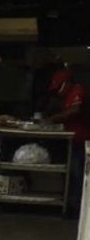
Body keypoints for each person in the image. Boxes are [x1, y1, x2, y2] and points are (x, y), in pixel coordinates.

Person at [43, 68, 90, 217]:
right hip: (72, 139)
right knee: (71, 173)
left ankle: (76, 208)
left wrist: (53, 119)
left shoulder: (77, 90)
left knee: (77, 174)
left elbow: (75, 110)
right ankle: (71, 204)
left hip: (81, 139)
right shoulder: (66, 96)